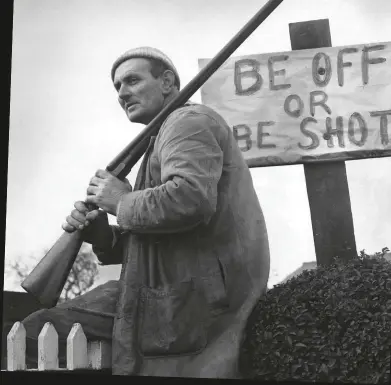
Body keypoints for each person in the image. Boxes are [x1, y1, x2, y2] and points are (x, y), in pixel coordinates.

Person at [21, 47, 270, 378]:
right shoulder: (163, 135)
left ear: (167, 82)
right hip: (170, 290)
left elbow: (190, 199)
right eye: (117, 87)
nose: (123, 93)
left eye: (133, 80)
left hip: (193, 297)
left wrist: (121, 201)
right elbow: (157, 241)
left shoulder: (187, 122)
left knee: (33, 330)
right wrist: (103, 236)